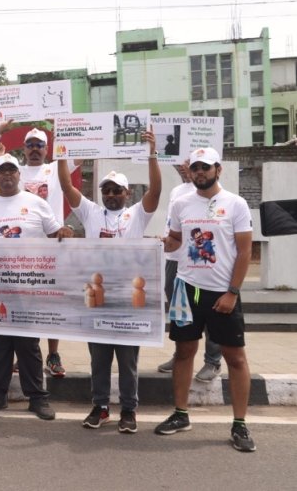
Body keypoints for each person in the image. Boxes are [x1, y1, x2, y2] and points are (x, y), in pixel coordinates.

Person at [57, 130, 160, 434]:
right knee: (99, 358)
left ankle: (129, 410)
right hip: (96, 299)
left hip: (129, 300)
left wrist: (152, 154)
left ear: (128, 194)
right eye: (107, 190)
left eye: (118, 190)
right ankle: (100, 406)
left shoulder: (137, 216)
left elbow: (155, 189)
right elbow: (65, 185)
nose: (112, 195)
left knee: (127, 360)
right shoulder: (90, 213)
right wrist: (62, 148)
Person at [156, 147, 256, 453]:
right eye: (196, 167)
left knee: (235, 358)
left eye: (206, 167)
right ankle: (181, 414)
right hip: (187, 289)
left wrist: (232, 292)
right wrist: (162, 244)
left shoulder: (236, 204)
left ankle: (239, 424)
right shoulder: (181, 203)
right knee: (184, 352)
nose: (200, 172)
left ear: (218, 170)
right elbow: (176, 239)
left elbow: (245, 252)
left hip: (221, 293)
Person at [0, 153, 72, 420]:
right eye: (2, 171)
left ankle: (37, 398)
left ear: (19, 175)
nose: (7, 175)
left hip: (29, 288)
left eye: (12, 170)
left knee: (28, 345)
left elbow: (55, 233)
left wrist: (64, 232)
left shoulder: (37, 203)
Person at [0, 127, 80, 377]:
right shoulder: (10, 170)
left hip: (46, 251)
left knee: (48, 309)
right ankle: (13, 365)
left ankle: (52, 354)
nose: (34, 149)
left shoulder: (55, 169)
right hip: (9, 266)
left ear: (47, 148)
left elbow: (82, 156)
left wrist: (65, 127)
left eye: (39, 145)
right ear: (23, 149)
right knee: (12, 324)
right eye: (30, 145)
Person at [158, 161, 223, 382]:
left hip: (200, 264)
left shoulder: (210, 192)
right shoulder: (177, 191)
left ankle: (213, 361)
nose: (184, 168)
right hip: (175, 260)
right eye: (181, 165)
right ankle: (180, 355)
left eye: (189, 164)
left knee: (209, 313)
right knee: (180, 314)